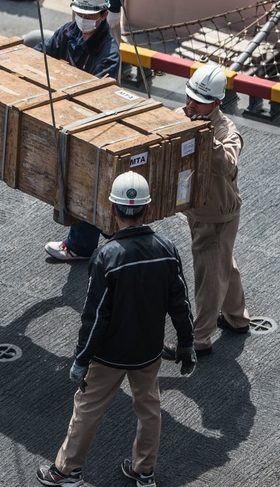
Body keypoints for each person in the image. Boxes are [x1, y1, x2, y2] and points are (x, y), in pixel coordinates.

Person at [37, 171, 196, 487]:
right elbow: (181, 304)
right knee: (149, 410)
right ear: (147, 210)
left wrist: (82, 359)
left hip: (108, 356)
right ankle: (144, 471)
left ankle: (67, 472)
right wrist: (186, 344)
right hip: (148, 353)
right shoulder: (167, 250)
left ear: (112, 209)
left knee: (87, 409)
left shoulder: (106, 257)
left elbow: (95, 317)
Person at [164, 64, 251, 360]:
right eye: (188, 98)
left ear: (216, 103)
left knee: (209, 275)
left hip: (216, 215)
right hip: (202, 209)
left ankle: (200, 338)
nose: (189, 105)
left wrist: (203, 135)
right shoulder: (185, 116)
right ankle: (237, 317)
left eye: (197, 101)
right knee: (223, 262)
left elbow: (227, 165)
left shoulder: (227, 132)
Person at [39, 0, 120, 261]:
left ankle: (85, 245)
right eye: (79, 14)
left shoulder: (108, 53)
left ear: (103, 15)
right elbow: (44, 54)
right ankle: (108, 234)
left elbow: (95, 94)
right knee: (85, 184)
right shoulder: (69, 32)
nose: (82, 20)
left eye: (89, 16)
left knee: (89, 183)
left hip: (95, 127)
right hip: (70, 120)